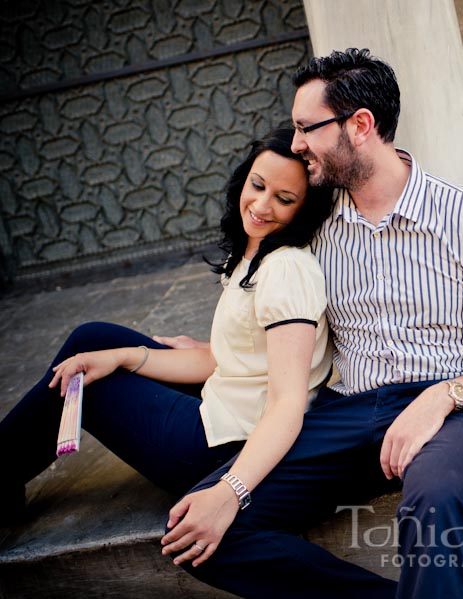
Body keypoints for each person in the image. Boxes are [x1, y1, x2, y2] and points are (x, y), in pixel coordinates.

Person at [161, 48, 463, 599]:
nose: (296, 143)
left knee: (438, 501)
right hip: (346, 411)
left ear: (360, 125)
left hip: (457, 412)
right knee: (200, 527)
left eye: (306, 128)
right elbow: (276, 312)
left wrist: (444, 397)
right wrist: (211, 353)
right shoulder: (316, 226)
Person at [0, 128, 335, 566]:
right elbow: (219, 359)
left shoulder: (287, 268)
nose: (261, 205)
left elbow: (289, 403)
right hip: (224, 403)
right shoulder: (254, 256)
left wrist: (230, 489)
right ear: (244, 178)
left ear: (302, 209)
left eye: (284, 199)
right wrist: (125, 356)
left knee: (90, 383)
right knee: (95, 340)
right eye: (257, 185)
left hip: (219, 447)